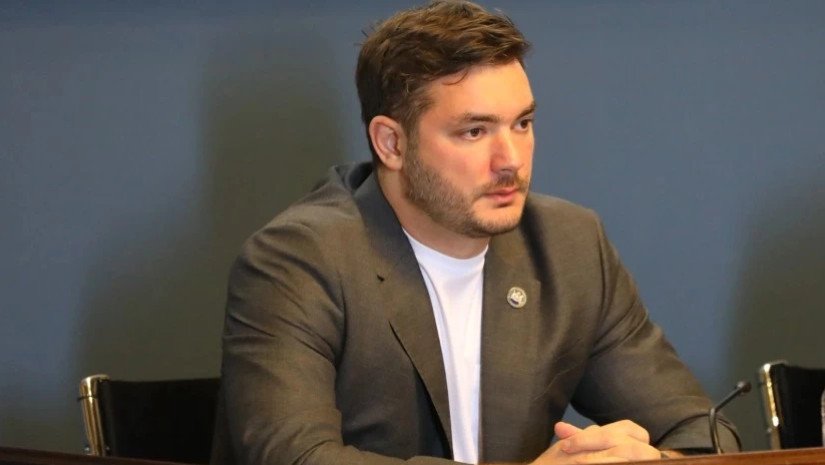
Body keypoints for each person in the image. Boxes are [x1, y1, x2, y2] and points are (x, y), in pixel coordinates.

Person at [213, 1, 739, 464]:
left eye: (522, 124)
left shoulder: (570, 247)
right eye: (474, 131)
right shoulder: (299, 261)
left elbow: (707, 433)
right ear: (391, 144)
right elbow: (296, 458)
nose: (510, 160)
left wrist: (653, 461)